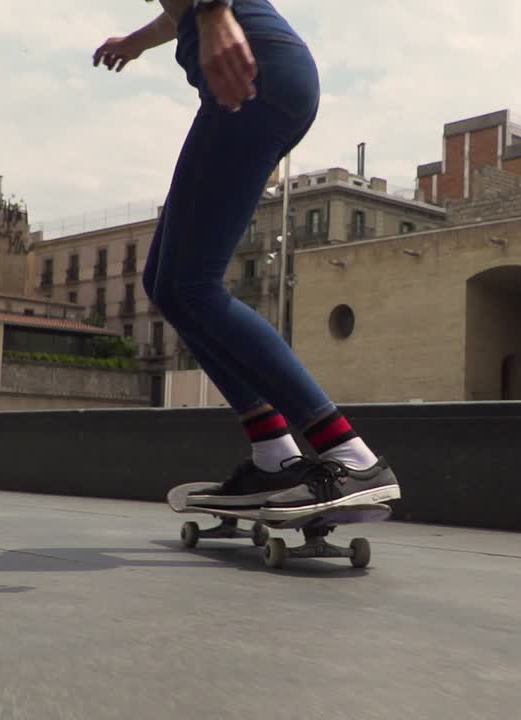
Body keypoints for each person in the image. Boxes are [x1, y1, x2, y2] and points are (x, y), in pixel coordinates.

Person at [93, 0, 399, 522]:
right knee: (166, 283)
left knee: (194, 286)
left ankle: (350, 454)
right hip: (268, 78)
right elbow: (177, 11)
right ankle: (273, 452)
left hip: (259, 77)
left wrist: (213, 13)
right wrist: (138, 42)